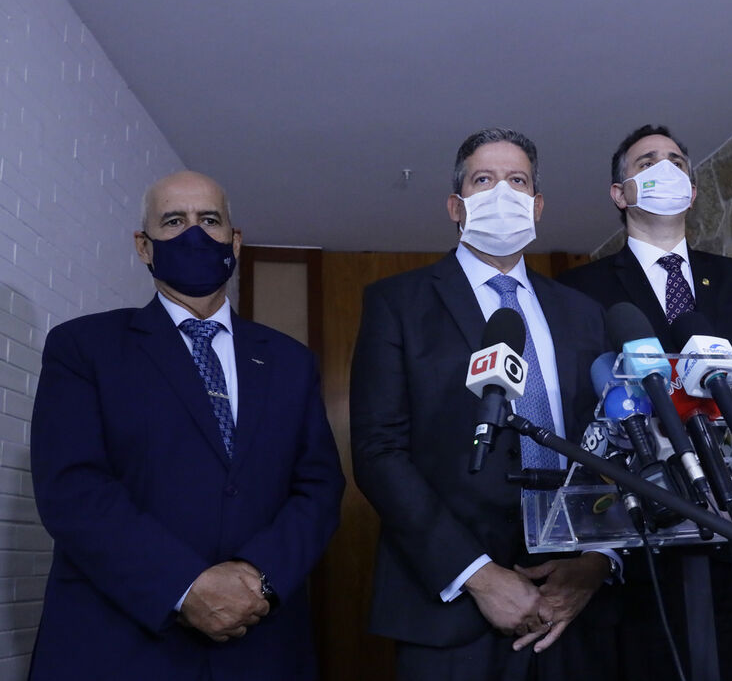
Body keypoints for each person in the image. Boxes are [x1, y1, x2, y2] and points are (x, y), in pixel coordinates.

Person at [29, 171, 345, 679]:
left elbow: (319, 487)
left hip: (260, 644)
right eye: (173, 221)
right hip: (119, 643)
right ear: (144, 246)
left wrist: (255, 578)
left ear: (234, 241)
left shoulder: (290, 361)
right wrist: (187, 586)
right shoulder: (84, 348)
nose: (193, 234)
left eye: (210, 220)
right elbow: (72, 487)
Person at [350, 128, 618, 681]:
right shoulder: (397, 304)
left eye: (517, 181)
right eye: (483, 179)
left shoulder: (584, 313)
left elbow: (610, 442)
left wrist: (598, 561)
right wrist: (477, 574)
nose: (503, 193)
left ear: (537, 206)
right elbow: (379, 452)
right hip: (449, 606)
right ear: (456, 205)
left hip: (575, 607)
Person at [558, 124, 732, 680]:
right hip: (643, 533)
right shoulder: (580, 289)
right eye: (646, 162)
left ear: (691, 189)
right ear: (620, 194)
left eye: (675, 161)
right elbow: (577, 403)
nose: (664, 168)